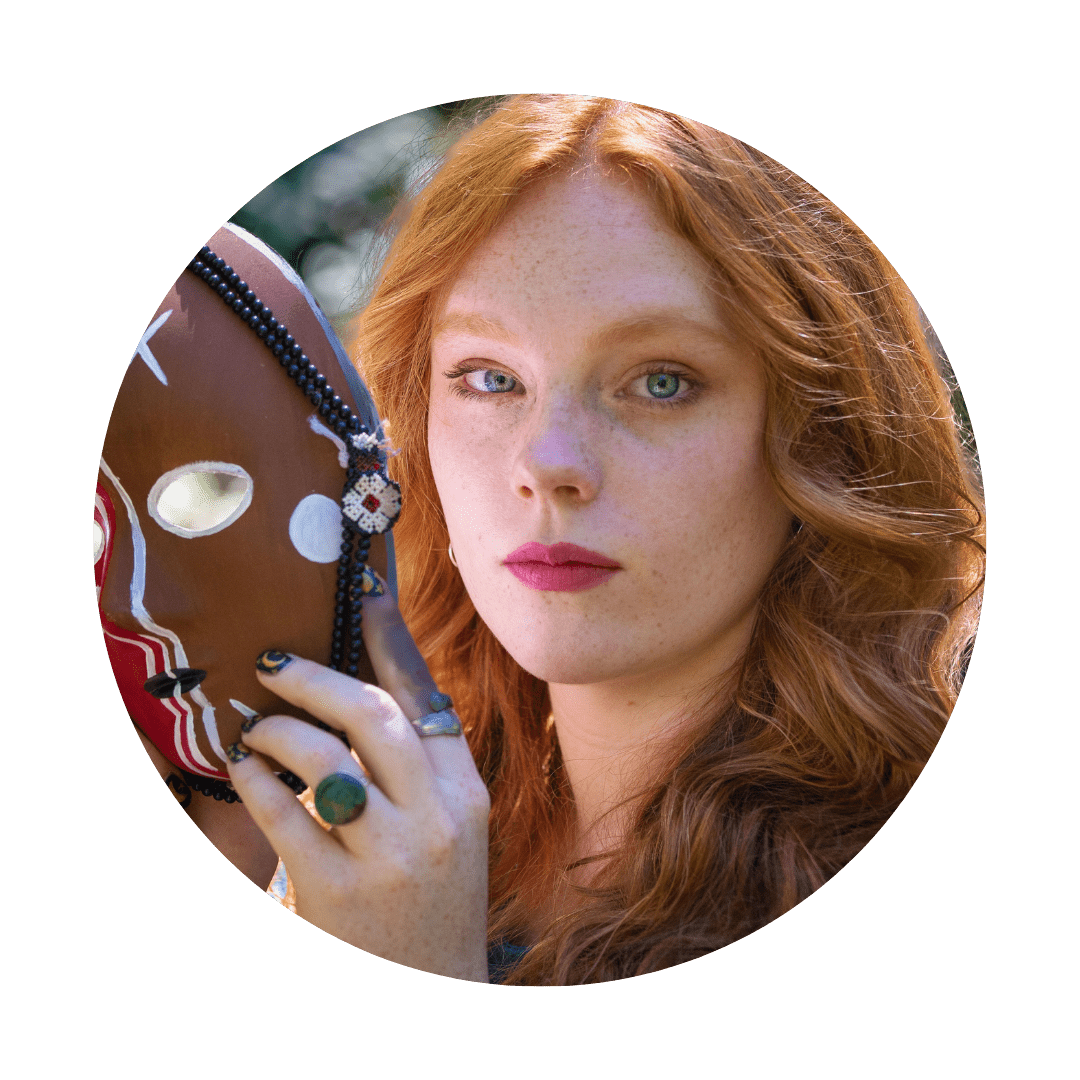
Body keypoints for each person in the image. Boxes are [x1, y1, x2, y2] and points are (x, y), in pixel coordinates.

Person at [220, 95, 985, 985]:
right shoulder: (399, 828)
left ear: (825, 435)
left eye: (660, 381)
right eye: (490, 377)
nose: (547, 464)